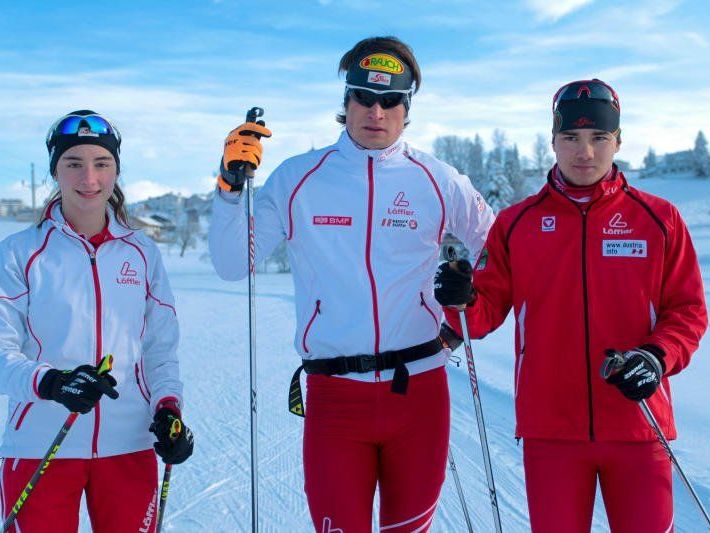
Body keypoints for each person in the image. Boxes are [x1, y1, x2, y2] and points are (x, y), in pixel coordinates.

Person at [209, 36, 494, 532]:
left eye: (390, 101)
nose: (376, 112)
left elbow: (503, 252)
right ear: (345, 103)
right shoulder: (300, 177)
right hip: (335, 396)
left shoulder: (438, 178)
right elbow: (234, 263)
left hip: (419, 393)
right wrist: (230, 188)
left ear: (407, 109)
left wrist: (466, 310)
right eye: (364, 97)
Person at [434, 79, 708, 532]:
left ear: (618, 140)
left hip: (637, 420)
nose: (585, 152)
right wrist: (458, 298)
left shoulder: (659, 219)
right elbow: (481, 315)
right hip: (551, 429)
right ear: (553, 141)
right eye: (571, 138)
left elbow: (688, 311)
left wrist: (656, 357)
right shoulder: (517, 223)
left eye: (599, 138)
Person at [0, 110, 194, 533]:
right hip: (41, 443)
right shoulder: (19, 252)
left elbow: (161, 349)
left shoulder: (143, 252)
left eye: (101, 163)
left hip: (129, 445)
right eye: (74, 164)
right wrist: (52, 382)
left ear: (116, 171)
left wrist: (167, 408)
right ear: (55, 170)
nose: (89, 177)